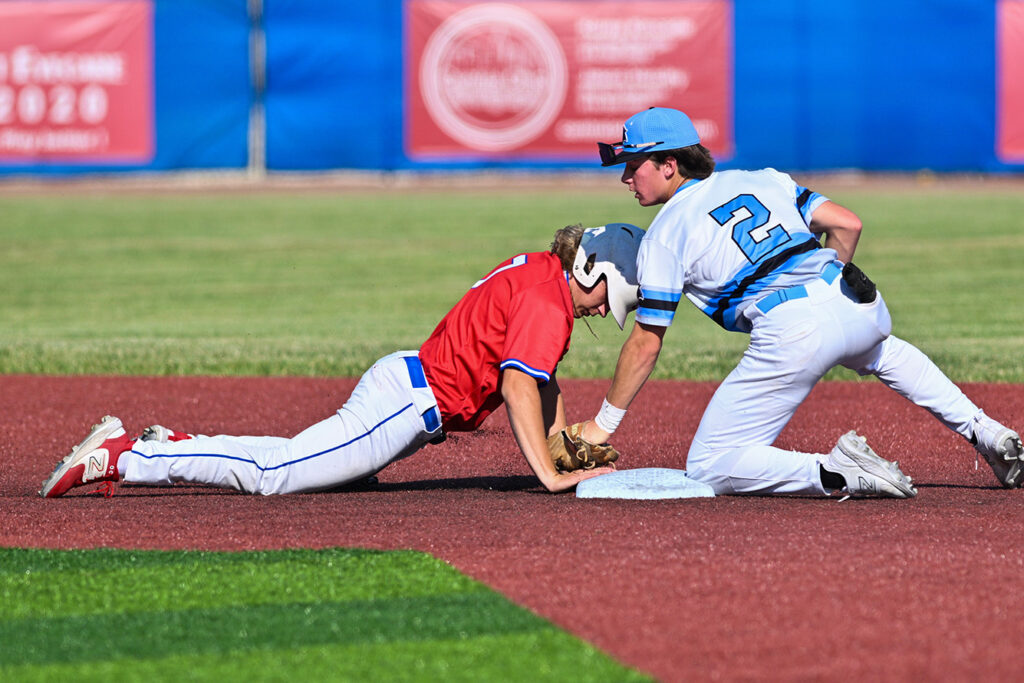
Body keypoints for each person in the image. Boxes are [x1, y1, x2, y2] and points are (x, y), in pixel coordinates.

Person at [580, 106, 1023, 498]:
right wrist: (830, 292)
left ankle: (835, 471)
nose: (625, 177)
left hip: (790, 326)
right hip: (852, 295)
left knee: (710, 464)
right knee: (883, 350)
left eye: (633, 164)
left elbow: (646, 342)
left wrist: (603, 425)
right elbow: (847, 224)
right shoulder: (761, 179)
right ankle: (988, 431)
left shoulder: (665, 231)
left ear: (669, 165)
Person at [40, 223, 645, 498]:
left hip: (405, 388)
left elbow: (540, 379)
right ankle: (131, 456)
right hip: (405, 405)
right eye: (604, 298)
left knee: (306, 464)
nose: (600, 312)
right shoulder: (550, 302)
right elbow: (519, 388)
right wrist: (550, 470)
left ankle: (177, 440)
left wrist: (564, 433)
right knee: (275, 476)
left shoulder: (542, 275)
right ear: (592, 270)